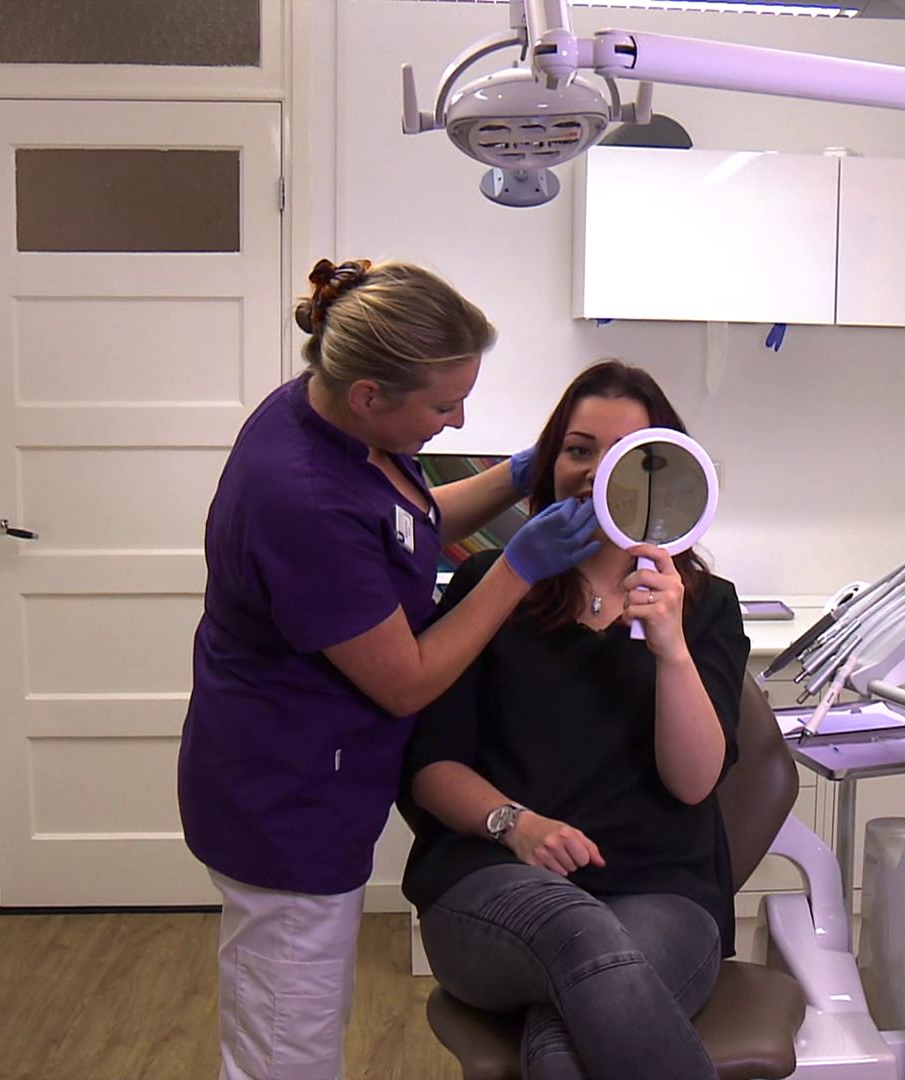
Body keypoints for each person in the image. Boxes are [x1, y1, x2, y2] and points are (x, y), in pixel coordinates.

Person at [178, 258, 603, 1080]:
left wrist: (521, 474)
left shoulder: (329, 418)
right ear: (370, 395)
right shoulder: (300, 498)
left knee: (297, 1018)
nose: (458, 418)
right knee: (285, 1050)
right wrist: (518, 565)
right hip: (286, 801)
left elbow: (405, 525)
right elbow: (405, 679)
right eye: (444, 407)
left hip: (307, 782)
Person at [400, 360, 752, 1080]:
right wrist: (516, 824)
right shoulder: (492, 586)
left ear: (670, 470)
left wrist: (671, 649)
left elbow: (693, 783)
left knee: (565, 1049)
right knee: (579, 932)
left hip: (661, 893)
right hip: (492, 885)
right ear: (549, 464)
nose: (598, 473)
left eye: (628, 453)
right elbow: (431, 768)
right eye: (579, 450)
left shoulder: (707, 605)